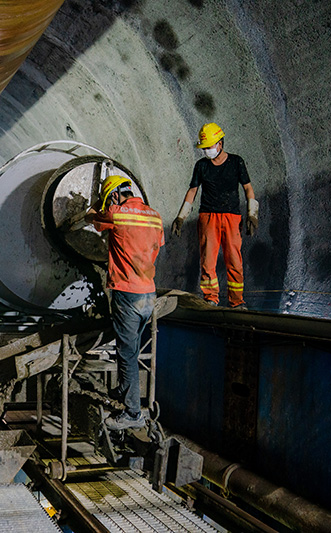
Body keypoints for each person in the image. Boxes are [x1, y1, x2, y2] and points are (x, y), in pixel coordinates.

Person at [85, 175, 164, 431]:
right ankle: (123, 389)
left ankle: (132, 414)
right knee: (135, 348)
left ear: (115, 196)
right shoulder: (155, 215)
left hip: (127, 294)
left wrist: (91, 211)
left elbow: (94, 221)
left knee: (126, 354)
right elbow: (156, 244)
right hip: (148, 294)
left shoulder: (117, 214)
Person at [171, 123, 258, 308]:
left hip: (231, 217)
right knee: (208, 260)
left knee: (234, 260)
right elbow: (192, 191)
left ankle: (236, 301)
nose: (207, 151)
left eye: (209, 146)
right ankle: (211, 298)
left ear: (220, 143)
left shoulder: (236, 162)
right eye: (204, 148)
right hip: (208, 217)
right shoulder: (201, 166)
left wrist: (252, 214)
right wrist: (181, 217)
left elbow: (248, 188)